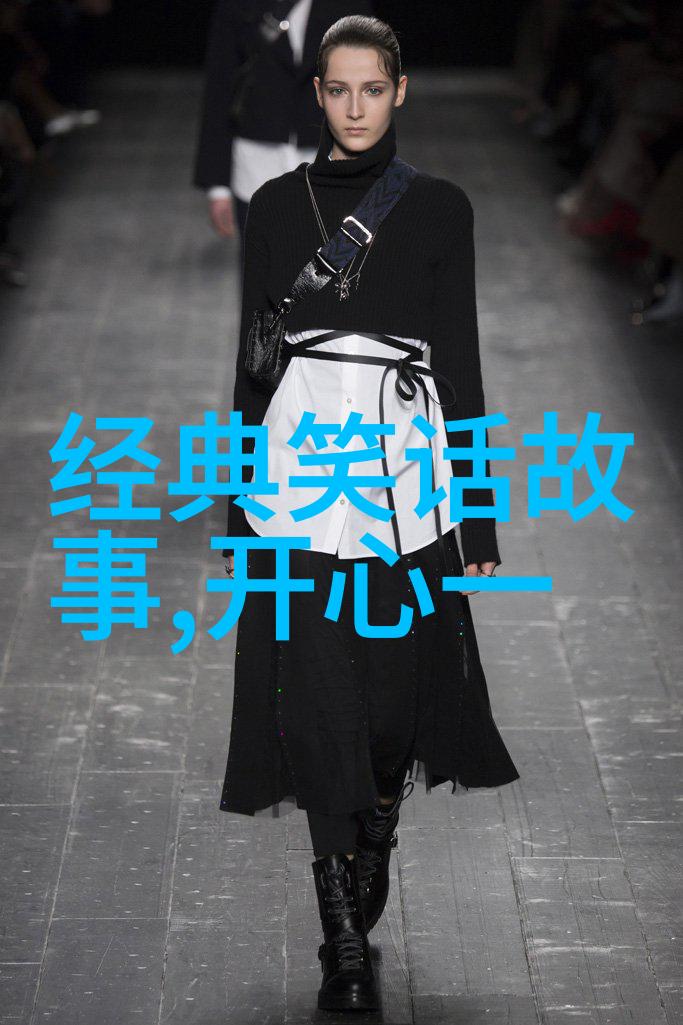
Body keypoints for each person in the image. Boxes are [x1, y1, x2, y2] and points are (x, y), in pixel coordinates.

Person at [219, 15, 521, 1013]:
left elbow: (459, 362)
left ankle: (378, 821)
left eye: (372, 89)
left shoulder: (438, 209)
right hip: (299, 473)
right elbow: (253, 363)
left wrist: (476, 516)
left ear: (399, 92)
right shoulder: (275, 207)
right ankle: (340, 935)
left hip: (403, 471)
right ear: (317, 95)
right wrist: (238, 506)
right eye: (338, 89)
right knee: (313, 697)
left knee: (393, 703)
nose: (354, 107)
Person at [192, 0, 374, 270]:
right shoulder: (238, 5)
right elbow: (220, 87)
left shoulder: (349, 4)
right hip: (256, 157)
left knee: (332, 275)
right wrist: (217, 185)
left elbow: (369, 89)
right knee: (262, 273)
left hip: (329, 156)